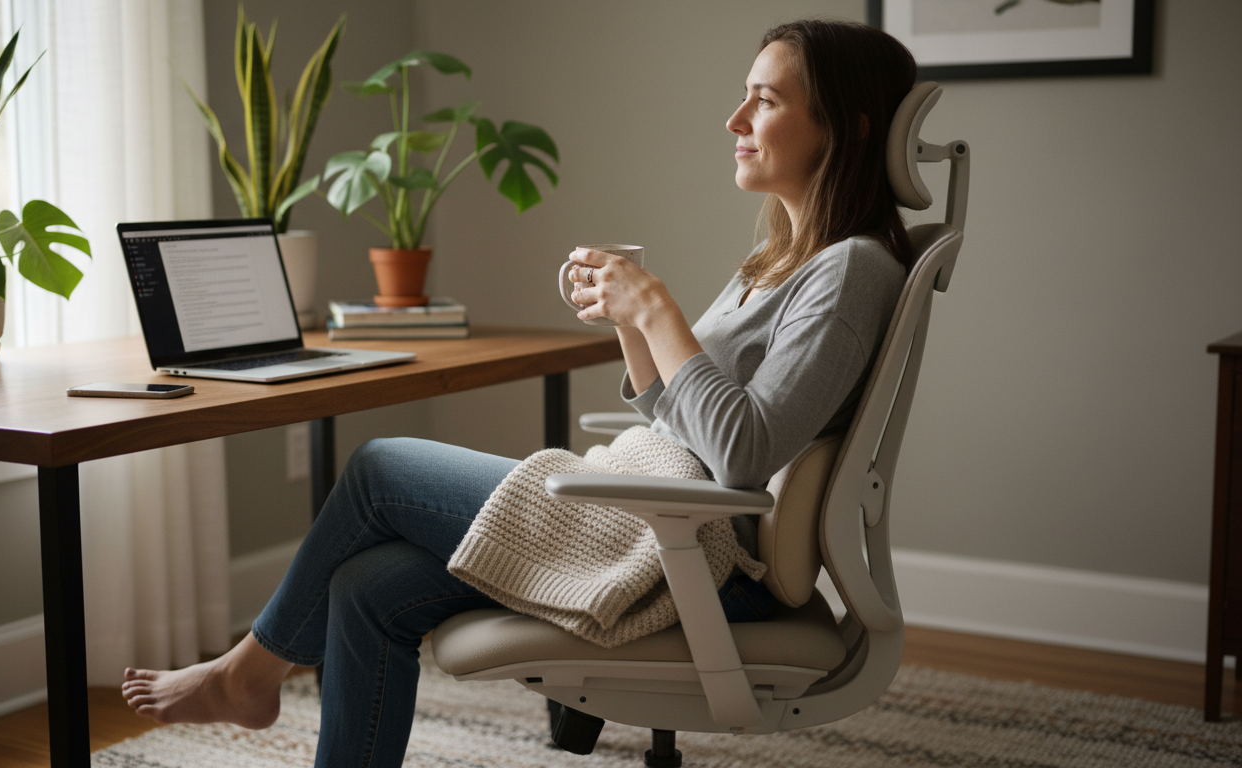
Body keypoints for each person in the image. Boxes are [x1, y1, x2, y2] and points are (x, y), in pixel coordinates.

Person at [122, 18, 917, 767]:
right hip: (655, 514)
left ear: (846, 126)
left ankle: (244, 676)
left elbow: (744, 454)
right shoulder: (781, 261)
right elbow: (686, 417)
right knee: (369, 588)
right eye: (744, 94)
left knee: (378, 469)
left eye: (767, 99)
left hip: (701, 559)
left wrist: (658, 310)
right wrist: (630, 324)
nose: (735, 118)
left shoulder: (850, 269)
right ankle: (260, 687)